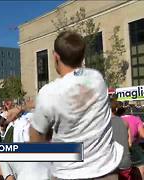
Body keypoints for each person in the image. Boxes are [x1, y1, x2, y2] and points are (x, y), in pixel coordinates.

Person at [8, 31, 123, 179]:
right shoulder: (96, 79)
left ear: (56, 57)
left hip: (68, 173)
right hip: (105, 170)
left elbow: (35, 141)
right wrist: (21, 108)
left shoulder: (48, 93)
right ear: (82, 57)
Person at [120, 106, 144, 178]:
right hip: (133, 146)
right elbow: (142, 135)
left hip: (120, 148)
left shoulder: (118, 119)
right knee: (140, 165)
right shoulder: (136, 119)